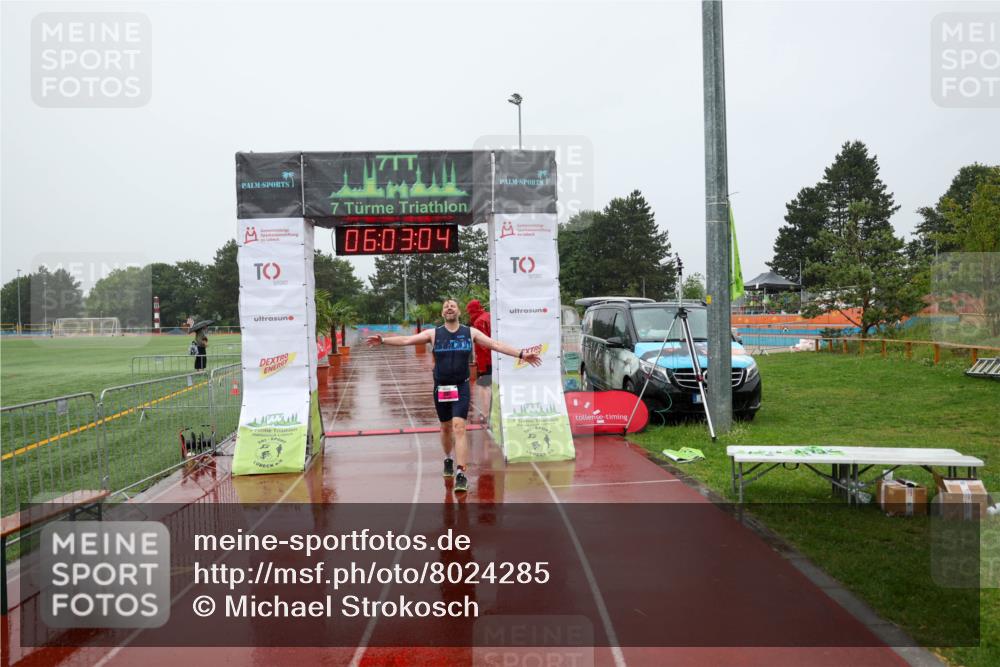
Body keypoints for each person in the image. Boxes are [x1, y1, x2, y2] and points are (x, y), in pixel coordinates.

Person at [367, 299, 541, 494]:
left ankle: (461, 473)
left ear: (459, 312)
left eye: (453, 306)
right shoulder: (433, 334)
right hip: (441, 387)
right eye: (446, 306)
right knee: (446, 427)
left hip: (461, 386)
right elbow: (406, 340)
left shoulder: (470, 332)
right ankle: (448, 458)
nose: (449, 308)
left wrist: (521, 354)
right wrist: (383, 340)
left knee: (459, 427)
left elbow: (495, 344)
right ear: (443, 314)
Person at [465, 299, 492, 424]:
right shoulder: (488, 316)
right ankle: (489, 412)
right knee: (490, 386)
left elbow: (483, 345)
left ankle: (485, 414)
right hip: (493, 358)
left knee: (483, 386)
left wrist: (480, 363)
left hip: (485, 359)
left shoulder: (479, 321)